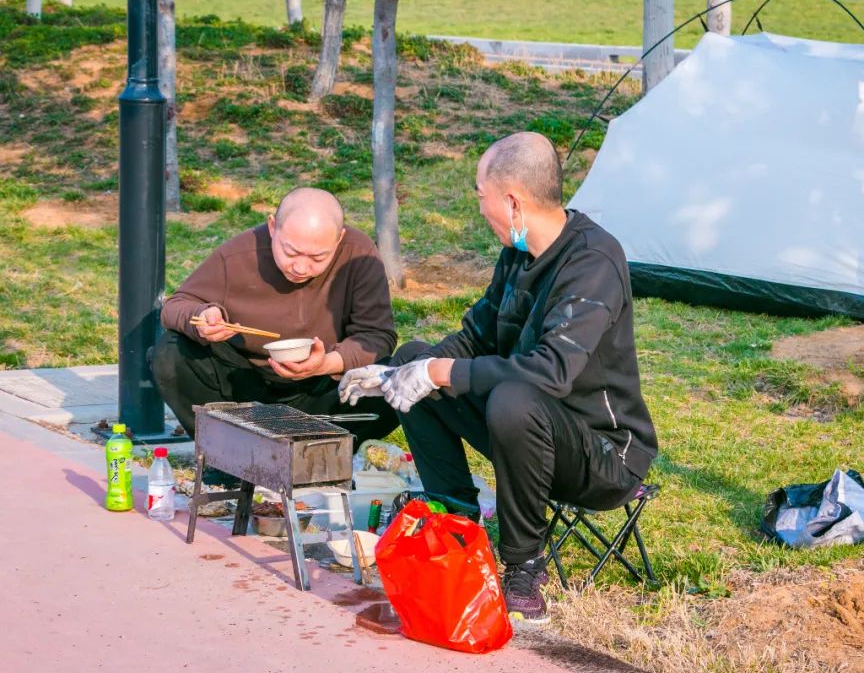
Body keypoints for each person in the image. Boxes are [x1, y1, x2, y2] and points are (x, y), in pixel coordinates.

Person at [338, 133, 658, 622]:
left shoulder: (593, 260)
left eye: (480, 194)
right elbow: (475, 337)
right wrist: (402, 373)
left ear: (512, 201)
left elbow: (551, 371)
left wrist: (441, 372)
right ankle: (455, 521)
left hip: (601, 456)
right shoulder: (517, 253)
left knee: (512, 397)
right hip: (523, 434)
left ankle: (524, 567)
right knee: (416, 356)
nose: (479, 206)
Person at [152, 187, 401, 451]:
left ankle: (322, 451)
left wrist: (325, 364)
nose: (301, 267)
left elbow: (377, 336)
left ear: (339, 239)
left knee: (402, 375)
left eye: (318, 257)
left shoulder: (358, 255)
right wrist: (203, 317)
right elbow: (175, 306)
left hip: (324, 386)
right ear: (272, 227)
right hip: (242, 383)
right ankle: (228, 452)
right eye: (291, 252)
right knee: (171, 353)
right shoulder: (238, 253)